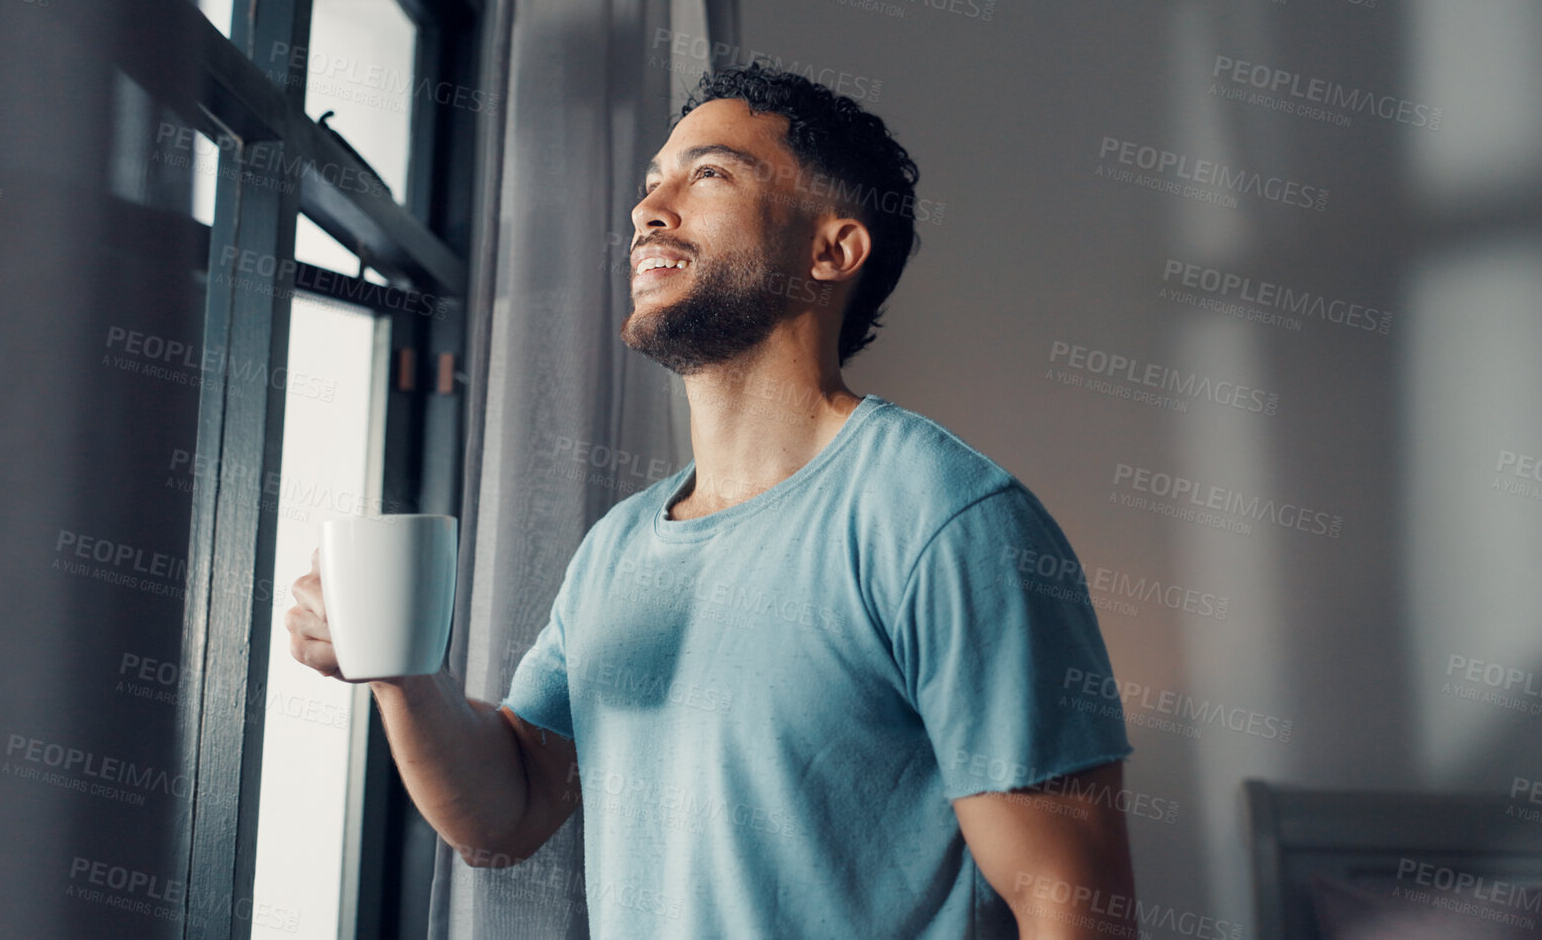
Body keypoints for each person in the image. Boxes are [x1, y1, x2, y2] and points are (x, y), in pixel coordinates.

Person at [288, 64, 1138, 937]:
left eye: (708, 174)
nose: (647, 210)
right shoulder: (618, 545)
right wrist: (401, 674)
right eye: (651, 181)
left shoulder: (944, 517)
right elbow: (508, 813)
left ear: (831, 251)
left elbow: (1072, 906)